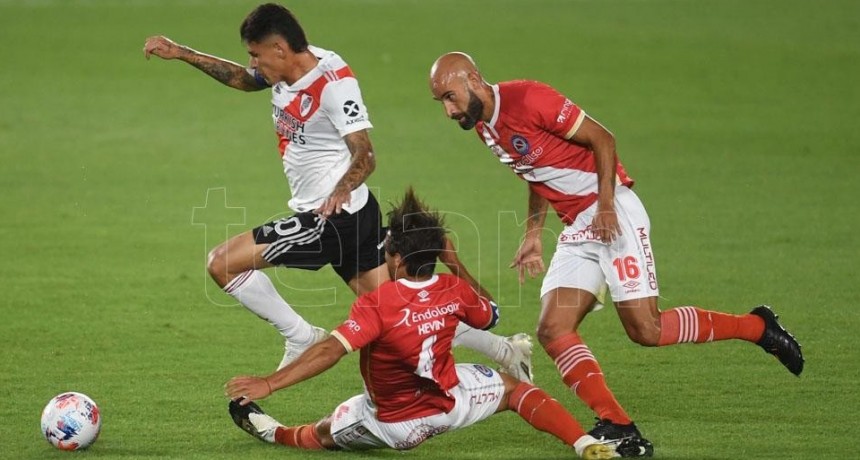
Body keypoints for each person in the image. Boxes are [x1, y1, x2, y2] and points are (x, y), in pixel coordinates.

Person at [428, 52, 805, 456]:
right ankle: (619, 424)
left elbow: (602, 138)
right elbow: (536, 173)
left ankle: (757, 327)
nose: (449, 110)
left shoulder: (530, 98)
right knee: (553, 329)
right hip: (579, 227)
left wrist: (606, 206)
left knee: (646, 329)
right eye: (442, 103)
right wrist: (534, 233)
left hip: (613, 213)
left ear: (473, 79)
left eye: (451, 96)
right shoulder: (485, 128)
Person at [142, 4, 533, 379]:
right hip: (356, 215)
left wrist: (339, 190)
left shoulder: (333, 85)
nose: (253, 63)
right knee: (397, 313)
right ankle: (505, 351)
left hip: (330, 217)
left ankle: (299, 336)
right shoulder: (283, 71)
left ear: (280, 48)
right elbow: (245, 80)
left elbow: (365, 154)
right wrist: (181, 53)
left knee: (222, 263)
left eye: (256, 54)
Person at [225, 189, 631, 459]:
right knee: (514, 391)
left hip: (393, 425)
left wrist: (269, 383)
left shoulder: (377, 303)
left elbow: (332, 349)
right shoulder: (455, 291)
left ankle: (273, 432)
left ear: (396, 259)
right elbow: (491, 314)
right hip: (451, 403)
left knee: (325, 433)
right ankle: (583, 442)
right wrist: (455, 265)